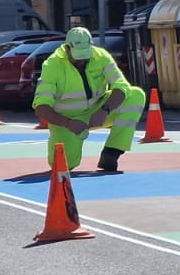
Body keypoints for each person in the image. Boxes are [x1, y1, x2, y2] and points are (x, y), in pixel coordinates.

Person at [32, 26, 146, 173]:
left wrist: (104, 110)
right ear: (67, 49)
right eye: (78, 56)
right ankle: (68, 145)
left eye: (85, 55)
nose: (82, 60)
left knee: (135, 95)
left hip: (98, 111)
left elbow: (121, 86)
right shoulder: (52, 65)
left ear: (91, 46)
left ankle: (111, 153)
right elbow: (41, 106)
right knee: (63, 165)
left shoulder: (101, 56)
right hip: (68, 120)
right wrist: (68, 123)